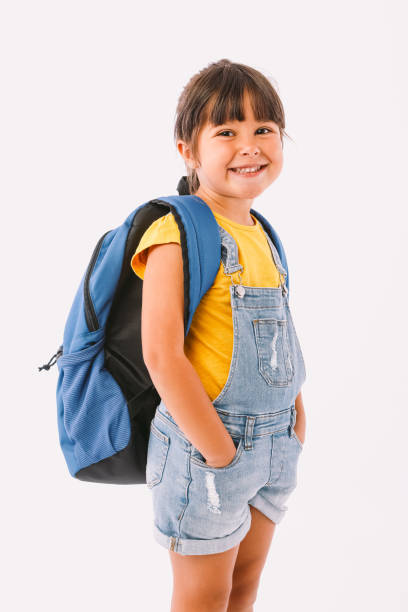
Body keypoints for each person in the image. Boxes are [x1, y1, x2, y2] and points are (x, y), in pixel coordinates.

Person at [131, 58, 307, 612]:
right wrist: (218, 451)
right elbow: (161, 355)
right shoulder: (175, 229)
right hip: (206, 447)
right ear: (189, 150)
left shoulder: (262, 232)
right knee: (203, 598)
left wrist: (298, 418)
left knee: (244, 586)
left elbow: (280, 335)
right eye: (226, 131)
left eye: (264, 130)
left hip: (276, 445)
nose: (249, 145)